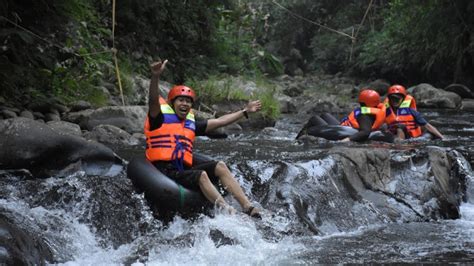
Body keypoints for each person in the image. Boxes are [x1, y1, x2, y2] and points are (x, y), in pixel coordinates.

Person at [145, 59, 261, 218]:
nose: (185, 103)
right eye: (181, 100)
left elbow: (221, 121)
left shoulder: (191, 125)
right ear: (172, 103)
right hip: (163, 170)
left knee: (220, 166)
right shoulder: (158, 119)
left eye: (188, 101)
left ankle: (248, 207)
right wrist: (155, 76)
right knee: (201, 175)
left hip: (181, 170)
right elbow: (152, 101)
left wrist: (245, 111)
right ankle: (228, 211)